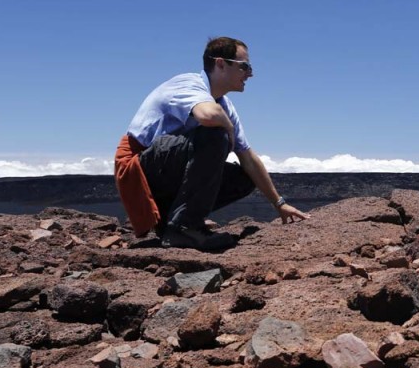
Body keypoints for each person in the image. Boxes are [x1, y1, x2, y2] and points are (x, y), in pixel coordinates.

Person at [114, 37, 308, 250]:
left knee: (244, 178)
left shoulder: (224, 104)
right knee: (215, 133)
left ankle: (175, 220)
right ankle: (184, 228)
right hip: (139, 166)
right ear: (220, 64)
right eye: (245, 67)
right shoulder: (188, 84)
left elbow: (248, 158)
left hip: (166, 170)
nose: (250, 74)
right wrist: (228, 127)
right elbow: (207, 115)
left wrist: (279, 203)